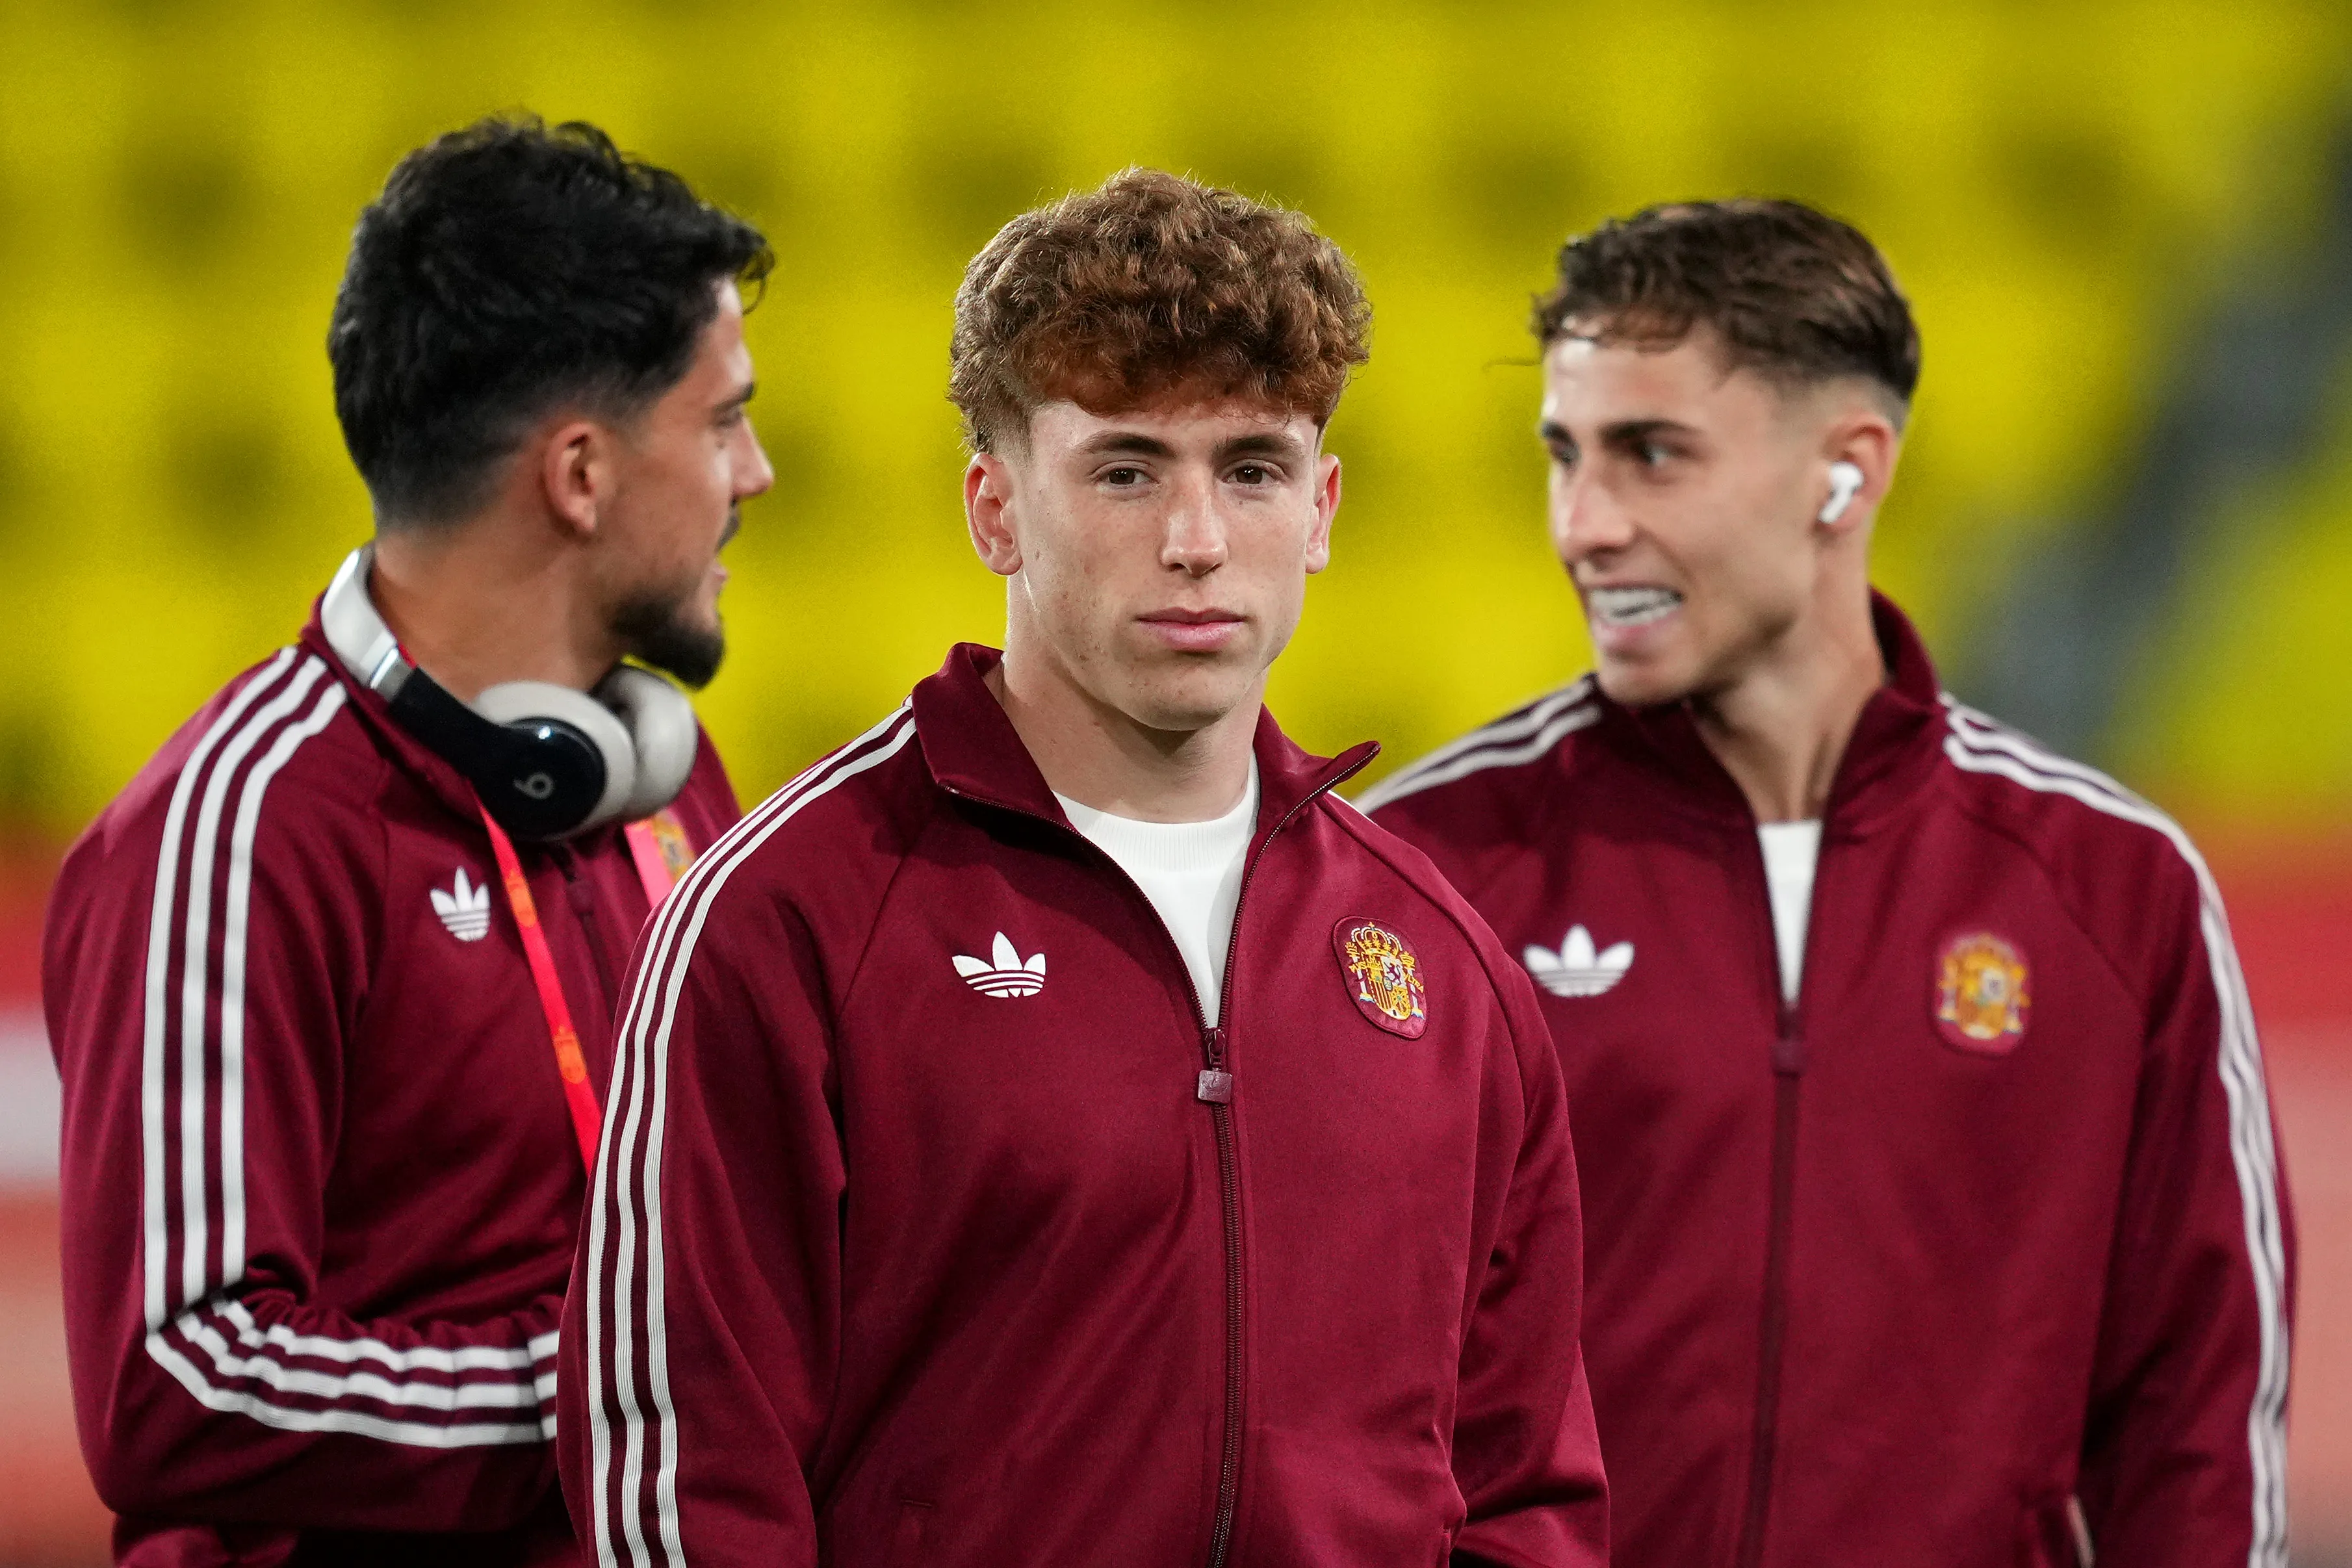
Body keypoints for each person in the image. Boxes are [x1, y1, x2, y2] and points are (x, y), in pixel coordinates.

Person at [558, 168, 1609, 1567]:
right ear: (994, 509)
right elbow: (682, 1472)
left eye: (1252, 470)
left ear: (1324, 509)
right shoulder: (788, 917)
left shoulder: (1445, 967)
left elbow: (1523, 1489)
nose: (1196, 542)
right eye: (1125, 471)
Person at [1363, 199, 2295, 1568]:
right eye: (1566, 458)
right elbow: (1317, 1394)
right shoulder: (1425, 872)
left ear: (1846, 472)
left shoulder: (2112, 892)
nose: (1584, 525)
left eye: (1652, 457)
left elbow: (2195, 1427)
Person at [45, 116, 771, 1565]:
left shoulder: (667, 789)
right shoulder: (241, 830)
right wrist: (624, 1394)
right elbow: (182, 1381)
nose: (753, 472)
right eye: (720, 419)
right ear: (579, 474)